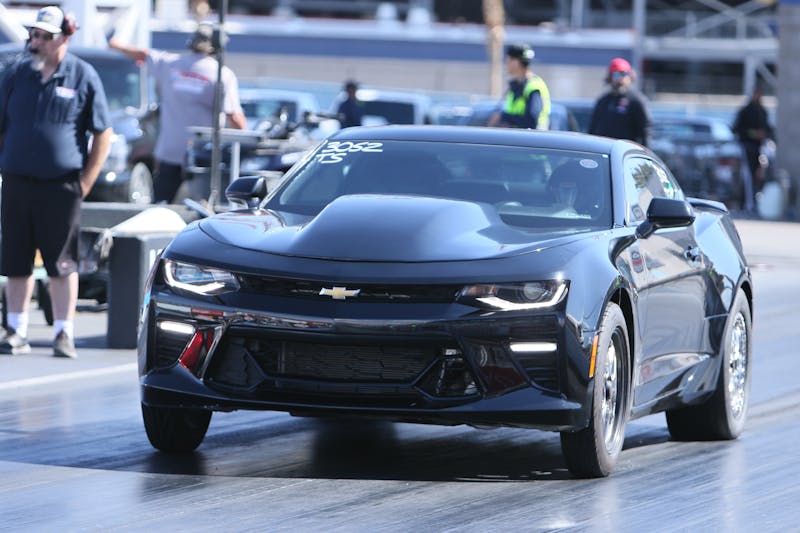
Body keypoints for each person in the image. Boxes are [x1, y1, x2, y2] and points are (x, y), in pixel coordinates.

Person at [0, 6, 112, 358]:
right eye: (33, 35)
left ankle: (64, 333)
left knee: (62, 262)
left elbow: (102, 132)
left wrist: (86, 181)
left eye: (45, 37)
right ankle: (16, 330)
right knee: (15, 259)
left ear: (64, 38)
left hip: (61, 185)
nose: (36, 42)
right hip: (17, 182)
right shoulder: (15, 73)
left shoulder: (82, 75)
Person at [108, 23, 247, 204]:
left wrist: (116, 45)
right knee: (205, 206)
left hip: (170, 152)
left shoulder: (171, 64)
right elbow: (234, 116)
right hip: (203, 154)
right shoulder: (222, 74)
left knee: (161, 204)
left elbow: (144, 54)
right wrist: (249, 141)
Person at [588, 57, 651, 147]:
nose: (620, 79)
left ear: (630, 76)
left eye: (623, 74)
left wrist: (644, 149)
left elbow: (645, 129)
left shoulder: (636, 100)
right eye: (616, 75)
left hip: (626, 150)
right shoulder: (603, 101)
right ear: (610, 77)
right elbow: (593, 127)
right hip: (604, 148)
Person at [487, 43, 551, 130]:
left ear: (516, 62)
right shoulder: (516, 85)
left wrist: (503, 117)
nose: (506, 64)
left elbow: (532, 121)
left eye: (508, 60)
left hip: (533, 137)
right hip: (517, 135)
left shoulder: (534, 87)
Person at [733, 84, 773, 194]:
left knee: (759, 174)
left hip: (759, 148)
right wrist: (754, 134)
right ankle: (746, 198)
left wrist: (765, 134)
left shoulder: (762, 111)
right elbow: (738, 128)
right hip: (747, 147)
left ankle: (755, 195)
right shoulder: (746, 111)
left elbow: (767, 128)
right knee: (747, 175)